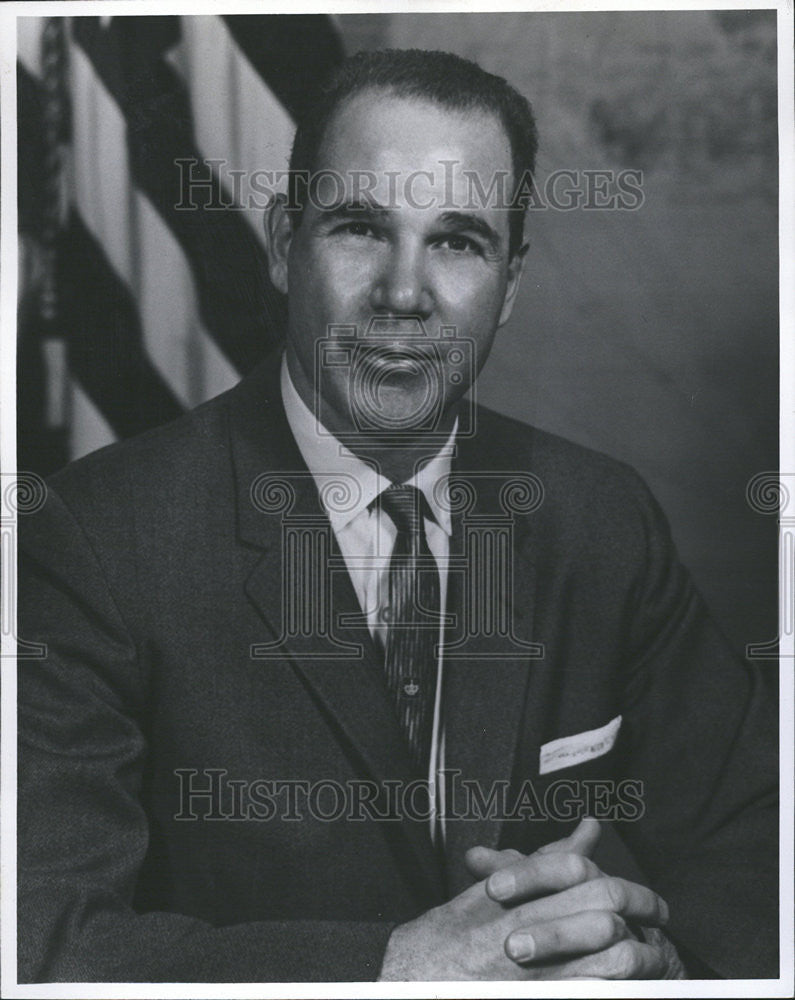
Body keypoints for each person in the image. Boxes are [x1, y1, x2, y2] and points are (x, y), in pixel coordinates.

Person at [18, 48, 777, 983]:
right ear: (281, 242)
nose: (405, 295)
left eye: (457, 241)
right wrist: (392, 970)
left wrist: (661, 965)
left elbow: (758, 847)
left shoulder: (596, 516)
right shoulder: (92, 539)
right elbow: (41, 945)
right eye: (359, 229)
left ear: (511, 286)